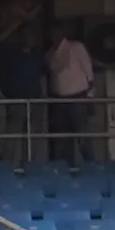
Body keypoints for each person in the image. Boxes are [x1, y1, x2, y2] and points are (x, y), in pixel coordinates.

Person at [47, 23, 98, 163]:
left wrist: (90, 97)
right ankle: (68, 168)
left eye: (57, 31)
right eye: (52, 32)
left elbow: (89, 73)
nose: (55, 35)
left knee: (83, 137)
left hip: (78, 98)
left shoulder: (76, 47)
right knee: (63, 140)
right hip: (59, 101)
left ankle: (91, 167)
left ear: (62, 32)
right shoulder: (50, 54)